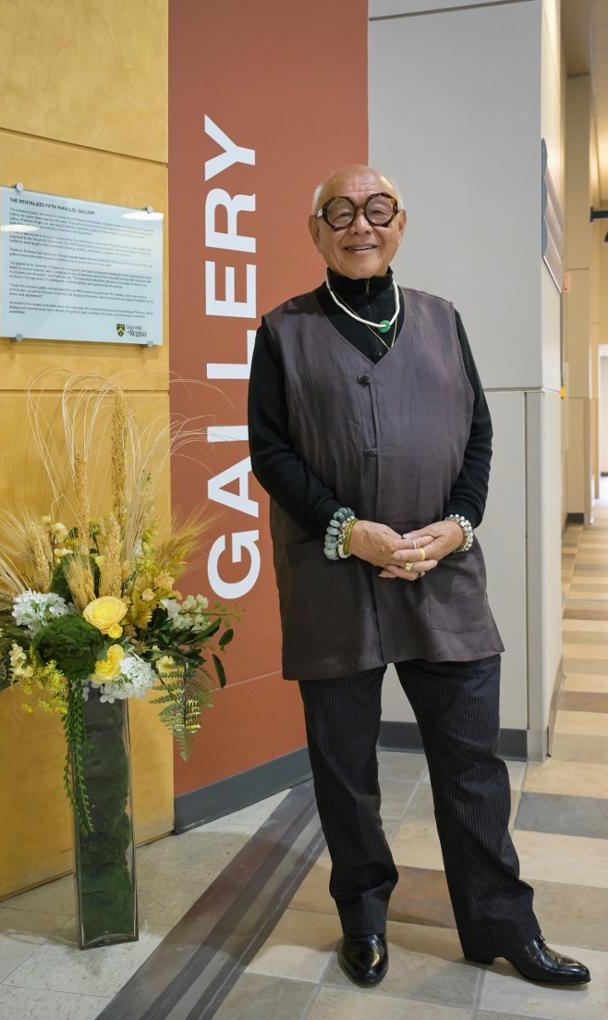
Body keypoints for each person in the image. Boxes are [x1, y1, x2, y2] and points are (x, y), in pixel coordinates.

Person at [247, 165, 590, 989]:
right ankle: (363, 918)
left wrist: (461, 522)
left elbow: (478, 432)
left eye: (377, 209)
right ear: (316, 231)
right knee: (345, 768)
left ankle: (502, 925)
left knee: (473, 762)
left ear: (402, 222)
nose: (360, 224)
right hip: (334, 579)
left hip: (443, 576)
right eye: (340, 212)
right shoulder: (284, 331)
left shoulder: (443, 320)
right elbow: (272, 452)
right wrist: (345, 530)